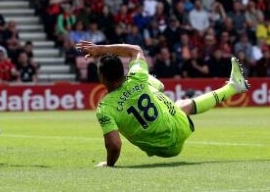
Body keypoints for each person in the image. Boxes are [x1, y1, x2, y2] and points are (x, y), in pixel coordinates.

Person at [75, 40, 250, 167]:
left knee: (176, 102)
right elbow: (135, 50)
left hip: (164, 150)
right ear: (123, 70)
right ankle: (233, 87)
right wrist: (101, 49)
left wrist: (110, 164)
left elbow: (114, 145)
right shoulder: (136, 76)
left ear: (102, 78)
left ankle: (234, 86)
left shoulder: (105, 108)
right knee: (178, 103)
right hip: (180, 128)